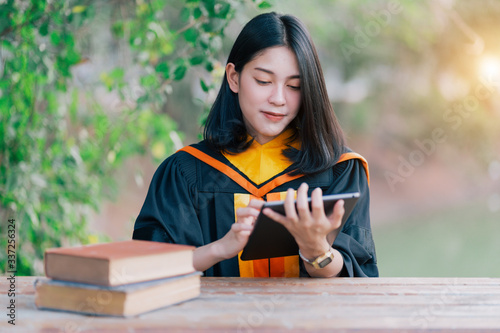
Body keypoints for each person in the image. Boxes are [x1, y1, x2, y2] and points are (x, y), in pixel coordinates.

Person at [133, 12, 378, 278]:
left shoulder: (339, 171)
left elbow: (358, 277)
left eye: (295, 86)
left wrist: (316, 250)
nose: (279, 99)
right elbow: (148, 270)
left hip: (308, 321)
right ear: (234, 78)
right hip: (214, 320)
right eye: (263, 81)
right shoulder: (186, 172)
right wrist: (219, 249)